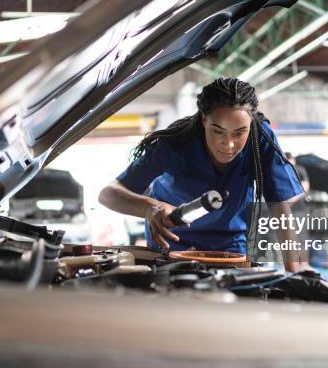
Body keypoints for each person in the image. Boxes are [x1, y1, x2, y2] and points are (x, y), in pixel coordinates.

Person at [99, 78, 309, 272]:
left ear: (251, 124)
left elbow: (279, 207)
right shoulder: (174, 143)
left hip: (231, 247)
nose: (228, 144)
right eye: (218, 131)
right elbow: (108, 194)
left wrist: (293, 273)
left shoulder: (260, 137)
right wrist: (149, 208)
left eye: (239, 133)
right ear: (203, 120)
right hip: (172, 245)